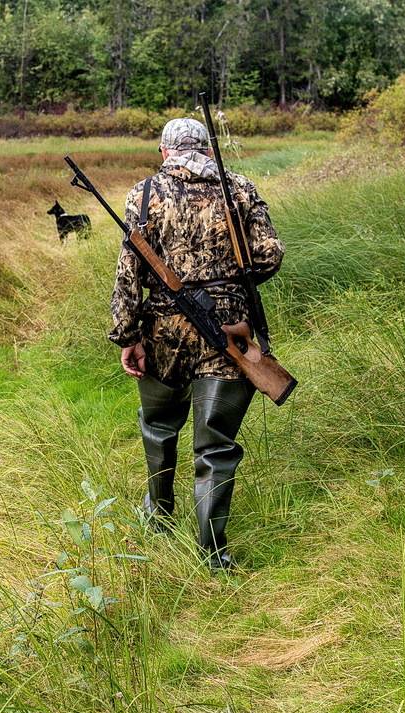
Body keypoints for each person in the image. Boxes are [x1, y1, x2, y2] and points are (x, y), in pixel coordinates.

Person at [109, 117, 284, 569]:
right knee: (216, 445)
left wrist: (127, 335)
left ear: (165, 152)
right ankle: (212, 551)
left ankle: (158, 516)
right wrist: (231, 285)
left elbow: (129, 272)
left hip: (163, 332)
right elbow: (270, 255)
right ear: (206, 149)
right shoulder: (238, 188)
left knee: (158, 427)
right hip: (229, 330)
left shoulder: (144, 193)